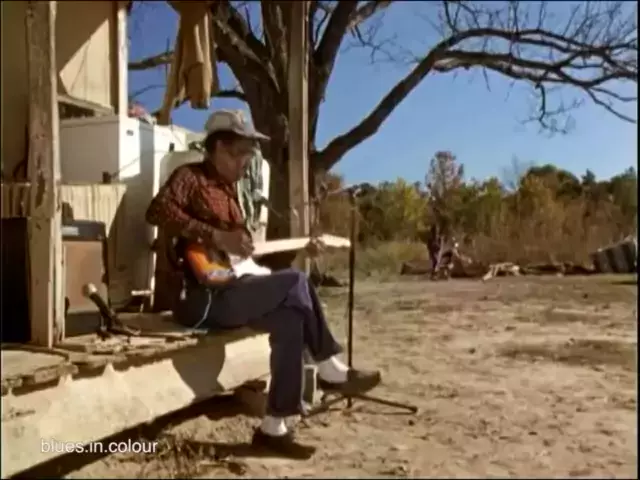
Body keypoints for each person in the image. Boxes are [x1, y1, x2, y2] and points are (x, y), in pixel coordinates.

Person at [145, 110, 381, 459]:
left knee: (291, 317)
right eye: (240, 153)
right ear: (218, 148)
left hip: (233, 287)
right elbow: (157, 211)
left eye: (249, 154)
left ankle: (274, 426)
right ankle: (329, 367)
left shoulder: (232, 195)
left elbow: (248, 262)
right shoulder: (190, 177)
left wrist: (298, 251)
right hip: (199, 299)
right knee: (296, 283)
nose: (246, 162)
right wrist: (214, 235)